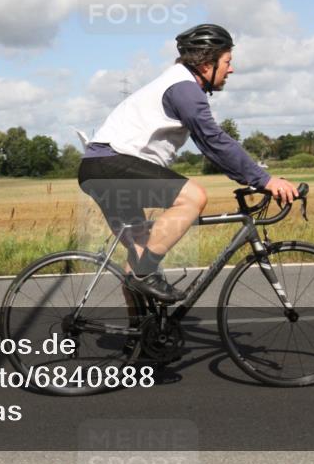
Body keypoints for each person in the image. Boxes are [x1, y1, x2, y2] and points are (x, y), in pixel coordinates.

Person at [78, 23, 299, 303]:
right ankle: (143, 276)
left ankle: (143, 341)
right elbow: (213, 141)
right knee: (193, 197)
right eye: (227, 62)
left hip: (99, 168)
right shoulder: (184, 88)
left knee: (140, 256)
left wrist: (254, 177)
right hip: (111, 164)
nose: (231, 69)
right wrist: (264, 180)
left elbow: (212, 145)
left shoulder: (176, 83)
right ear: (208, 64)